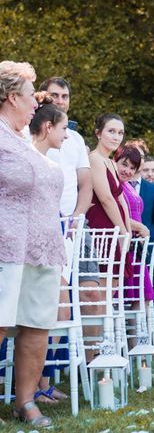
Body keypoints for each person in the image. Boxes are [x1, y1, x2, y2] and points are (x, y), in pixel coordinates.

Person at [0, 61, 65, 427]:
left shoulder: (23, 140)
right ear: (12, 98)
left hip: (42, 249)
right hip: (5, 247)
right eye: (30, 97)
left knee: (37, 325)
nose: (35, 104)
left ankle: (25, 402)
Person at [38, 77, 97, 399]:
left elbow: (85, 184)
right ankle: (34, 383)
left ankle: (47, 381)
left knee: (69, 302)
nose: (60, 100)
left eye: (65, 95)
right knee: (48, 303)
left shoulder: (74, 138)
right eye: (55, 95)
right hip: (38, 224)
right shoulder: (28, 133)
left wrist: (77, 219)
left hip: (69, 227)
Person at [85, 113, 131, 358]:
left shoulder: (113, 163)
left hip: (116, 232)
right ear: (98, 132)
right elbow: (104, 197)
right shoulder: (94, 159)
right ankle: (91, 355)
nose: (116, 136)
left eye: (120, 133)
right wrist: (122, 231)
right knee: (97, 299)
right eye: (111, 131)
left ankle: (100, 351)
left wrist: (128, 230)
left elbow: (121, 200)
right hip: (103, 231)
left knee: (108, 295)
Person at [114, 146, 154, 303]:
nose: (128, 171)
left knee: (143, 295)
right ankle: (128, 328)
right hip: (124, 243)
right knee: (128, 295)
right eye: (124, 164)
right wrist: (140, 227)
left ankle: (138, 329)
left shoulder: (128, 185)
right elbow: (115, 214)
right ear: (114, 161)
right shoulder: (113, 184)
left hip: (136, 246)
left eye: (132, 168)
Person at [125, 140, 154, 278]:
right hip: (121, 248)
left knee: (147, 295)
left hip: (148, 251)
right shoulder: (118, 183)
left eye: (141, 157)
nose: (137, 159)